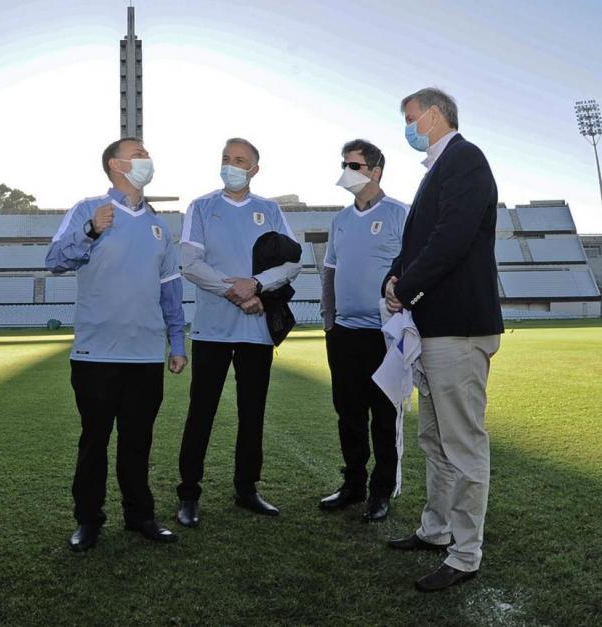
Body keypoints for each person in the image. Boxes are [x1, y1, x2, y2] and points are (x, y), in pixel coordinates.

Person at [383, 88, 503, 592]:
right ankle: (436, 530)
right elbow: (418, 243)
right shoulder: (439, 168)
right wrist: (393, 280)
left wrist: (404, 287)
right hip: (434, 328)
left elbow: (451, 237)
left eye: (410, 118)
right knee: (434, 439)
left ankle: (466, 552)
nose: (407, 126)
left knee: (461, 442)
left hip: (458, 326)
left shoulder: (466, 159)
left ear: (434, 115)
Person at [46, 137, 187, 552]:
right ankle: (88, 521)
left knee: (138, 442)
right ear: (115, 164)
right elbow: (54, 260)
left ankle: (140, 516)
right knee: (94, 442)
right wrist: (91, 231)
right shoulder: (88, 209)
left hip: (145, 355)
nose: (147, 158)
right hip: (96, 355)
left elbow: (170, 290)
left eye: (147, 153)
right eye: (139, 153)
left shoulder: (159, 224)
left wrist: (176, 342)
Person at [175, 138, 302, 528]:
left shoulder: (270, 210)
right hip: (212, 329)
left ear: (254, 169)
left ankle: (247, 489)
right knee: (201, 411)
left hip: (256, 332)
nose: (232, 165)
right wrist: (235, 290)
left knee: (252, 413)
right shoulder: (201, 206)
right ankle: (189, 494)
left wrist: (258, 284)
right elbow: (189, 263)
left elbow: (293, 263)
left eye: (240, 160)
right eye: (227, 159)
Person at [319, 139, 408, 522]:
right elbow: (330, 273)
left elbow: (414, 265)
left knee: (383, 416)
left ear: (375, 171)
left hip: (384, 335)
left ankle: (381, 490)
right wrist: (329, 322)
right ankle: (353, 483)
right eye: (344, 163)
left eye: (354, 165)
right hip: (344, 334)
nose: (346, 170)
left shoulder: (400, 214)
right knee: (348, 412)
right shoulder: (339, 220)